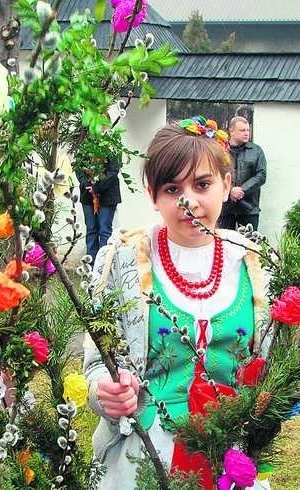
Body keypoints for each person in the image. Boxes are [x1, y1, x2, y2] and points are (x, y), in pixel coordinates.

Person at [84, 119, 268, 489]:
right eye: (172, 188)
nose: (188, 201)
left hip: (229, 461)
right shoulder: (121, 262)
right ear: (152, 195)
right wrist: (106, 393)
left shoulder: (254, 265)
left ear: (226, 184)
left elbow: (275, 372)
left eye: (202, 184)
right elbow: (96, 365)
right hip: (142, 456)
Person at [219, 116, 267, 231]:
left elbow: (261, 175)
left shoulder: (256, 151)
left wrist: (242, 190)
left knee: (249, 245)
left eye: (248, 130)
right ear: (231, 131)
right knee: (224, 244)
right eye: (242, 130)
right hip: (225, 208)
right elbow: (214, 174)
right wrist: (230, 190)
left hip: (249, 208)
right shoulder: (220, 150)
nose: (246, 133)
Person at [76, 157, 121, 259]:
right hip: (87, 195)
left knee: (105, 230)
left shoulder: (112, 146)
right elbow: (78, 167)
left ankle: (103, 264)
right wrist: (87, 184)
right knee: (91, 229)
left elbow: (113, 171)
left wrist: (96, 187)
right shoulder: (82, 145)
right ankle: (91, 265)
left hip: (108, 194)